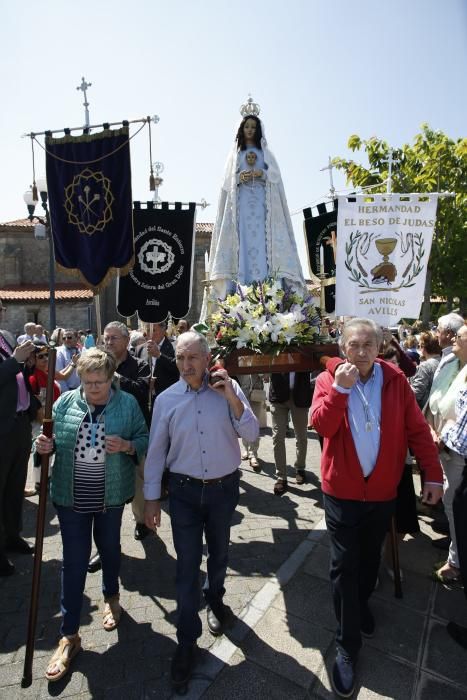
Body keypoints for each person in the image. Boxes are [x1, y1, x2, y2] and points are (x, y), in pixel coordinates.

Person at [311, 317, 443, 698]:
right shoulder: (328, 380)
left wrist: (432, 476)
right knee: (344, 566)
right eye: (354, 344)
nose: (362, 351)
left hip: (382, 493)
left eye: (369, 344)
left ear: (380, 346)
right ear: (343, 347)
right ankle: (346, 646)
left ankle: (359, 604)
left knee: (369, 563)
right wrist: (340, 390)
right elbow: (321, 425)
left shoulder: (396, 380)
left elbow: (417, 430)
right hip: (342, 493)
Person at [144, 331, 258, 691]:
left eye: (193, 358)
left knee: (221, 554)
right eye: (180, 358)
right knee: (186, 566)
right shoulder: (166, 398)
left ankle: (217, 599)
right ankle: (187, 641)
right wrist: (150, 499)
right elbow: (157, 451)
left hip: (224, 489)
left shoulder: (228, 388)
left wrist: (230, 397)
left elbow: (253, 434)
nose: (186, 365)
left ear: (208, 359)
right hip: (184, 492)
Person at [35, 348, 149, 682]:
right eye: (87, 382)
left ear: (111, 378)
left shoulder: (126, 404)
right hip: (70, 496)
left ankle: (111, 596)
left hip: (110, 494)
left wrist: (126, 446)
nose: (94, 388)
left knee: (110, 549)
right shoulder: (66, 401)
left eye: (100, 382)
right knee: (74, 561)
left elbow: (144, 438)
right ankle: (69, 635)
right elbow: (46, 441)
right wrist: (42, 447)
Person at [205, 103, 305, 306]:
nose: (250, 130)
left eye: (253, 126)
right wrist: (239, 177)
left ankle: (267, 288)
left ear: (258, 130)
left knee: (262, 244)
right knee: (243, 245)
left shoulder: (267, 154)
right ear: (241, 130)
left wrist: (263, 174)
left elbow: (275, 179)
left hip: (262, 206)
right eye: (247, 126)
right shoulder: (234, 156)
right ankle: (243, 288)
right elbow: (227, 184)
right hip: (242, 206)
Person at [425, 324, 467, 583]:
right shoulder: (452, 361)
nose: (453, 338)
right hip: (444, 442)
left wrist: (441, 440)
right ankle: (456, 547)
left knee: (455, 504)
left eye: (459, 336)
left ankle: (456, 563)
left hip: (457, 452)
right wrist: (430, 428)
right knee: (452, 506)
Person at [0, 309, 37, 576]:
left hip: (20, 423)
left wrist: (28, 363)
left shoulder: (5, 336)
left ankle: (12, 535)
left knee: (14, 485)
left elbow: (17, 377)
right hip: (2, 427)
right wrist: (15, 361)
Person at [269, 371, 311, 495]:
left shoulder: (303, 350)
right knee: (277, 437)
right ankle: (281, 477)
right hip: (278, 395)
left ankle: (300, 468)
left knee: (301, 436)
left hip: (300, 395)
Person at [136, 322, 179, 408]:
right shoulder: (140, 349)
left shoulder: (175, 346)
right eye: (148, 330)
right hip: (145, 400)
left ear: (163, 329)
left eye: (153, 330)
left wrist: (159, 355)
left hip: (168, 399)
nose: (150, 334)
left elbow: (177, 368)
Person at [237, 373, 266, 470]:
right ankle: (246, 448)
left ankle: (253, 453)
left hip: (256, 393)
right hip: (243, 394)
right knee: (244, 423)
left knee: (255, 424)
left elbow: (266, 375)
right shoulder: (240, 358)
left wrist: (262, 373)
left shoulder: (259, 358)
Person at [409, 332, 442, 409]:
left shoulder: (425, 366)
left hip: (426, 410)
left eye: (419, 346)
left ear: (423, 347)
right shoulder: (444, 361)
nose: (419, 348)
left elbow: (416, 393)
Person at [433, 312, 464, 379]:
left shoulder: (455, 358)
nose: (436, 335)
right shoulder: (451, 355)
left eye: (438, 331)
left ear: (448, 333)